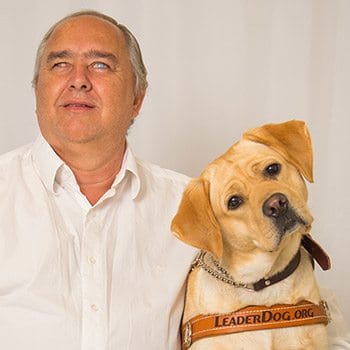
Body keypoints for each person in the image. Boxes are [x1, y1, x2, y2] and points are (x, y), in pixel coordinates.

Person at [0, 9, 349, 350]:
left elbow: (275, 306)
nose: (78, 79)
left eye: (100, 65)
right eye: (60, 64)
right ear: (36, 91)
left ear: (137, 99)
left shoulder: (196, 205)